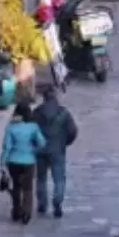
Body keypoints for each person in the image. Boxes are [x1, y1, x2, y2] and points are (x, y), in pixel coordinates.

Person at [32, 86, 77, 218]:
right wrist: (64, 143)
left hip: (40, 151)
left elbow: (31, 131)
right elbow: (72, 131)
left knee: (41, 178)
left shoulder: (36, 113)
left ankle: (42, 204)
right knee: (59, 179)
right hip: (58, 151)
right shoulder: (64, 113)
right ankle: (57, 202)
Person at [0, 103, 47, 225]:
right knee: (28, 188)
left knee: (16, 186)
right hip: (29, 161)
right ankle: (26, 213)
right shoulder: (33, 127)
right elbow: (42, 143)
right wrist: (33, 150)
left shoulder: (11, 127)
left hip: (13, 161)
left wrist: (2, 163)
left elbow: (7, 147)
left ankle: (16, 211)